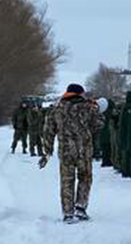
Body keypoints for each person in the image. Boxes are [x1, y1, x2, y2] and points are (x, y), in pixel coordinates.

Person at [39, 82, 103, 223]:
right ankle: (80, 208)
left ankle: (68, 212)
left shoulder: (57, 108)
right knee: (85, 178)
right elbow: (99, 125)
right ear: (80, 93)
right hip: (84, 151)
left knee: (67, 180)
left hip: (66, 151)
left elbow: (48, 131)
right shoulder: (89, 108)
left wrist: (47, 151)